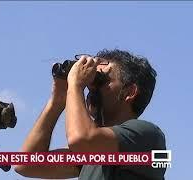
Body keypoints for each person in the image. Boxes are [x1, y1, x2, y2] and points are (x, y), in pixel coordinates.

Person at [14, 49, 166, 180]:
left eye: (100, 79)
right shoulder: (92, 155)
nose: (91, 87)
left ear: (129, 92)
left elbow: (81, 140)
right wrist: (57, 101)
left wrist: (76, 85)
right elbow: (26, 164)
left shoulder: (148, 136)